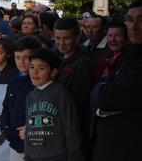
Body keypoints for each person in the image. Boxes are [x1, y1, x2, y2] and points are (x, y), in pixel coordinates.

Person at [92, 0, 142, 161]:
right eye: (130, 20)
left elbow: (109, 97)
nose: (134, 26)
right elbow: (96, 95)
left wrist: (103, 97)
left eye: (141, 20)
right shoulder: (127, 57)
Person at [21, 48, 83, 161]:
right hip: (32, 156)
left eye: (41, 68)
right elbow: (29, 128)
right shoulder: (30, 96)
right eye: (32, 67)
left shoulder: (60, 94)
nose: (34, 72)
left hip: (56, 157)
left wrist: (74, 156)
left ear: (53, 72)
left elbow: (71, 129)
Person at [53, 17, 92, 158]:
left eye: (66, 39)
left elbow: (79, 102)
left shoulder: (83, 63)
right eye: (58, 38)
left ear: (77, 38)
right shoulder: (56, 58)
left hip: (70, 130)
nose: (61, 43)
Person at [0, 36, 41, 160]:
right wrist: (5, 125)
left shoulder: (38, 83)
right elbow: (7, 105)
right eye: (18, 57)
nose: (21, 62)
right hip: (14, 142)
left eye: (26, 58)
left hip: (33, 144)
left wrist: (33, 128)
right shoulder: (14, 79)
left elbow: (46, 113)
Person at [81, 15, 108, 83]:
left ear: (104, 29)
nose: (90, 30)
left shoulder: (110, 48)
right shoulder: (81, 47)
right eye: (88, 27)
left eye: (95, 27)